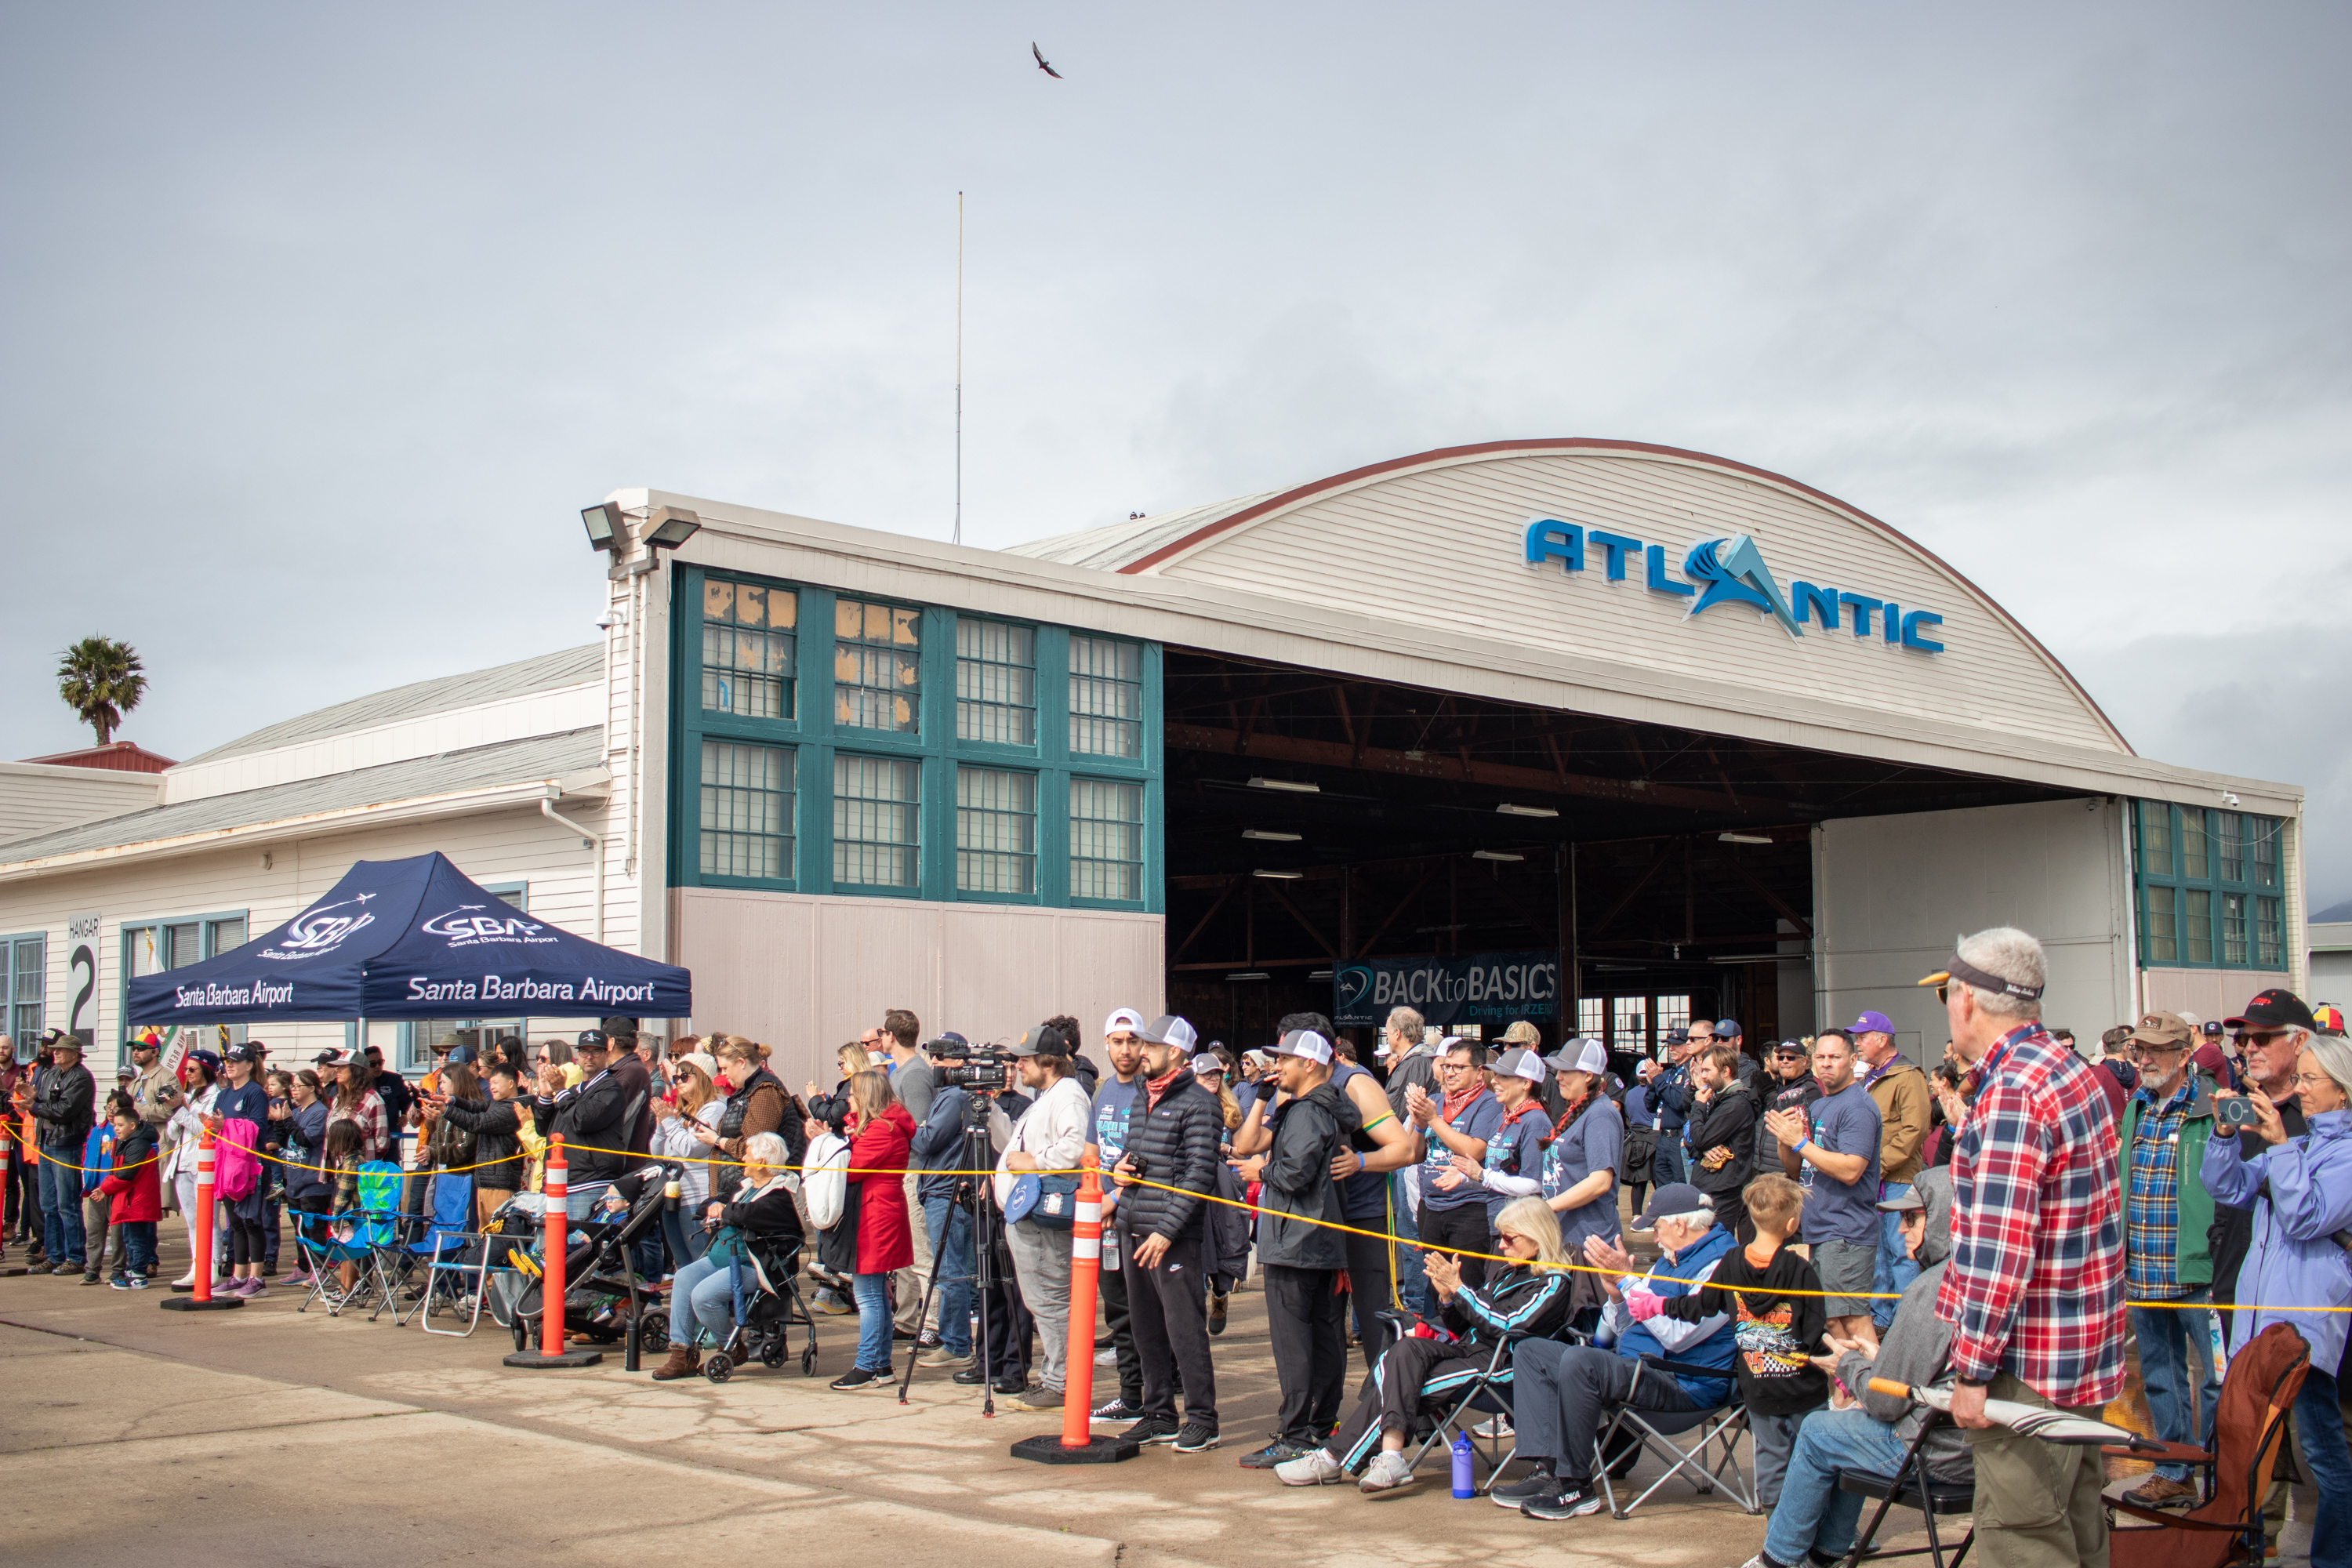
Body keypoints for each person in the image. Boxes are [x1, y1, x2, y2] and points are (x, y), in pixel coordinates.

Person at [1918, 927, 2124, 1568]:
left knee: (2023, 1537)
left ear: (1966, 1001)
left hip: (2026, 1364)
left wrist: (1973, 1371)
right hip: (2077, 1351)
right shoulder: (2070, 1071)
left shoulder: (2012, 1091)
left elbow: (1999, 1252)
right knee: (2078, 1525)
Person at [1274, 1195, 1573, 1491]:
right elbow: (1464, 1324)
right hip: (1472, 1350)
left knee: (1402, 1383)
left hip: (1503, 1365)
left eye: (1508, 1238)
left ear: (1536, 1237)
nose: (1502, 1245)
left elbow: (1507, 1326)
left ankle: (1334, 1458)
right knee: (1405, 1350)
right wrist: (1447, 1296)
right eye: (1500, 1238)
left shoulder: (1553, 1282)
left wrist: (1460, 1290)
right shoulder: (1510, 1272)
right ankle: (1387, 1457)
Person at [1744, 1171, 1962, 1568]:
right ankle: (1826, 1553)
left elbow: (1884, 1401)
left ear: (1948, 1218)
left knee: (1819, 1429)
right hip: (1975, 1447)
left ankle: (1778, 1559)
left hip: (1934, 1452)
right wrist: (1873, 1361)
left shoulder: (1934, 1287)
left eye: (1913, 1217)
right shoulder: (1986, 1277)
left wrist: (1848, 1364)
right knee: (1845, 1425)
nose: (1901, 1228)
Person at [1494, 1183, 1741, 1520]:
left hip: (1685, 1384)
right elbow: (1623, 1330)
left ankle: (1576, 1485)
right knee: (1532, 1351)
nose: (1654, 1238)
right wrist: (1615, 1296)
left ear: (1680, 1225)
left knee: (1583, 1361)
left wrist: (1628, 1282)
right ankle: (1549, 1469)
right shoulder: (1669, 1260)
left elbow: (1678, 1338)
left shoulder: (1723, 1266)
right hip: (1640, 1369)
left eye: (1657, 1228)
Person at [2202, 1025, 2352, 1568]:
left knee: (2322, 1456)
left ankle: (2334, 1558)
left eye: (2313, 1080)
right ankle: (2241, 1547)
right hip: (2263, 1327)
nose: (2302, 1089)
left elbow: (2305, 1216)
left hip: (2304, 1332)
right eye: (2303, 1078)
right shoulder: (2304, 1145)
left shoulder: (2342, 1155)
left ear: (2343, 1091)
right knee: (2247, 1449)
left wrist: (2284, 1150)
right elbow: (2229, 1187)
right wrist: (2223, 1137)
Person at [1630, 1172, 1825, 1508]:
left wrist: (1657, 1304)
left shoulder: (1731, 1262)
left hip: (1758, 1382)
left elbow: (1699, 1306)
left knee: (1771, 1459)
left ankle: (1779, 1530)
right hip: (1800, 1385)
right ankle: (1821, 1529)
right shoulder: (1800, 1269)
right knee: (1814, 1456)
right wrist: (1828, 1364)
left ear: (1750, 1216)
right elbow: (1814, 1326)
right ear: (1792, 1224)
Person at [1231, 1027, 1363, 1468]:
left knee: (1295, 1344)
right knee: (1325, 1339)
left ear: (1309, 1064)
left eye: (1285, 1059)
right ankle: (1321, 1427)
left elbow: (1295, 1173)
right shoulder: (1326, 1106)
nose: (1277, 1067)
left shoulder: (1308, 1111)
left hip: (1297, 1242)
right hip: (1322, 1242)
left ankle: (1296, 1435)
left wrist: (1259, 1171)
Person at [2113, 1007, 2225, 1510]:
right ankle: (2175, 1472)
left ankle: (2221, 1478)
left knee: (2218, 1381)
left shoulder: (2211, 1106)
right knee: (2161, 1377)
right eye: (2140, 1049)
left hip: (2199, 1271)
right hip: (2143, 1270)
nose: (2146, 1058)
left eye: (2158, 1050)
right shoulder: (2136, 1106)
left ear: (2185, 1055)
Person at [1110, 1013, 1224, 1452]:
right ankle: (1159, 1415)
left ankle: (1203, 1419)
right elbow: (1135, 1151)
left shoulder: (1200, 1102)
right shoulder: (1143, 1095)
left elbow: (1199, 1174)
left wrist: (1167, 1230)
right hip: (1134, 1225)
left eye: (1150, 1047)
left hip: (1170, 1235)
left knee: (1184, 1330)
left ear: (1174, 1053)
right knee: (1146, 1329)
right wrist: (1119, 1168)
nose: (1140, 1052)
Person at [990, 1023, 1091, 1412]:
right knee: (1042, 1299)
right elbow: (1011, 1145)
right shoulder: (1046, 1096)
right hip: (1027, 1212)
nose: (1017, 1068)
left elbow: (1077, 1146)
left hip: (1045, 1214)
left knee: (1050, 1298)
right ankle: (1056, 1375)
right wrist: (991, 1110)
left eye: (1024, 1060)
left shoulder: (1068, 1096)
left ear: (1046, 1062)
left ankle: (1060, 1379)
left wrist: (1034, 1163)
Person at [649, 1131, 805, 1381]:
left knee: (703, 1296)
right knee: (683, 1279)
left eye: (747, 1154)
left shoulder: (781, 1194)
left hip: (756, 1267)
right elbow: (712, 1204)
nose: (743, 1158)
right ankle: (682, 1354)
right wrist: (713, 1207)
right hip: (721, 1258)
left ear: (762, 1163)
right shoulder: (745, 1186)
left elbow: (749, 1213)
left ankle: (731, 1345)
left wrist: (724, 1209)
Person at [1765, 1029, 1882, 1352]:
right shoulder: (1824, 1104)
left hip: (1846, 1231)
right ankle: (1850, 1394)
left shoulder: (1856, 1107)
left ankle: (1878, 1395)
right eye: (1821, 1057)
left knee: (1854, 1320)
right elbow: (1797, 1169)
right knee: (1832, 1319)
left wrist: (1800, 1141)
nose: (1826, 1064)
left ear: (1853, 1061)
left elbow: (1851, 1169)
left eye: (1835, 1057)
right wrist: (1785, 1138)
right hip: (1821, 1229)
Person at [2209, 990, 2314, 1321]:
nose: (2250, 1047)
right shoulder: (2237, 1107)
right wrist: (2219, 1243)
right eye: (2244, 1038)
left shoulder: (2325, 1117)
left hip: (2298, 1305)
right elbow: (2222, 1193)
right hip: (2236, 1291)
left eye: (2264, 1037)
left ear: (2300, 1042)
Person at [821, 1069, 915, 1390]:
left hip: (875, 1214)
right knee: (874, 1293)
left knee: (870, 1295)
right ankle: (880, 1365)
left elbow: (851, 1170)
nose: (847, 1100)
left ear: (866, 1097)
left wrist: (827, 1143)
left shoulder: (881, 1130)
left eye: (851, 1094)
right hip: (877, 1211)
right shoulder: (884, 1126)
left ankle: (868, 1366)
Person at [1084, 1008, 1150, 1423]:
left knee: (1150, 1314)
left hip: (1139, 1218)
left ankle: (1156, 1396)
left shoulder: (1150, 1092)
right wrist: (1098, 1197)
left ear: (1143, 1045)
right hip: (1107, 1221)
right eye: (1117, 1041)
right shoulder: (1103, 1091)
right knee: (1119, 1313)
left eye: (1132, 1041)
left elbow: (1150, 1159)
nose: (1124, 1049)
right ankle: (1130, 1397)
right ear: (1106, 1044)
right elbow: (1091, 1154)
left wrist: (1112, 1201)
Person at [1851, 1011, 1932, 1331]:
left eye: (1862, 1037)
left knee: (1901, 1252)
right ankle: (1883, 1319)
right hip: (1874, 1180)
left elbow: (1915, 1130)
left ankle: (1907, 1322)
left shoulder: (1909, 1076)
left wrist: (1876, 1166)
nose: (1857, 1043)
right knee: (1878, 1254)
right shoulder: (1868, 1078)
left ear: (1882, 1040)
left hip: (1896, 1180)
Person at [906, 1033, 979, 1372]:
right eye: (932, 1056)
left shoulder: (953, 1097)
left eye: (939, 1056)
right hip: (943, 1188)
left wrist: (911, 1125)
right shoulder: (951, 1095)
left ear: (958, 1061)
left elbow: (927, 1140)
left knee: (950, 1271)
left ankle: (956, 1343)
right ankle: (956, 1341)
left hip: (944, 1191)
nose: (933, 1062)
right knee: (952, 1269)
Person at [1406, 1036, 1503, 1290]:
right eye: (1447, 1066)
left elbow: (1474, 1149)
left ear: (1479, 1071)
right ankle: (1438, 1330)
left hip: (1469, 1209)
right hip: (1431, 1206)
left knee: (1466, 1284)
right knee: (1436, 1284)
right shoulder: (1436, 1101)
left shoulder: (1489, 1104)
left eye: (1458, 1067)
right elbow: (1413, 1155)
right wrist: (1418, 1121)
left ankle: (1467, 1331)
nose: (1450, 1073)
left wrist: (1433, 1120)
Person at [877, 1007, 938, 1345]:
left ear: (890, 1036)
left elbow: (919, 1128)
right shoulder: (899, 1072)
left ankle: (932, 1323)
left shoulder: (914, 1074)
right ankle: (907, 1319)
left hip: (913, 1172)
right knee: (905, 1254)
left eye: (882, 1034)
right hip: (898, 1172)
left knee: (921, 1252)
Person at [530, 1029, 630, 1218]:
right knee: (548, 1246)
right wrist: (544, 1095)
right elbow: (545, 1130)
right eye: (584, 1051)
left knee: (577, 1246)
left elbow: (582, 1120)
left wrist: (559, 1090)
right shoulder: (574, 1091)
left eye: (596, 1052)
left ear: (607, 1054)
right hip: (558, 1183)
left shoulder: (612, 1088)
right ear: (578, 1055)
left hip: (588, 1184)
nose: (589, 1057)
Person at [27, 1033, 95, 1276]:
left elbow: (64, 1110)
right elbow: (45, 1104)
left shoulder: (81, 1077)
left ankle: (76, 1257)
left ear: (75, 1055)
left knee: (67, 1203)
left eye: (60, 1049)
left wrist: (34, 1106)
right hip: (47, 1140)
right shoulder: (50, 1073)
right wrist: (32, 1099)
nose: (54, 1052)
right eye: (54, 1049)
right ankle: (55, 1256)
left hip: (66, 1142)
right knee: (48, 1203)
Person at [208, 1042, 272, 1297]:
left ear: (249, 1065)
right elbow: (218, 1127)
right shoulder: (223, 1094)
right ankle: (239, 1274)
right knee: (234, 1222)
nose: (229, 1065)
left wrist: (227, 1123)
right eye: (227, 1061)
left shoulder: (255, 1092)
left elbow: (257, 1128)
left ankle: (257, 1279)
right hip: (228, 1165)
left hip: (250, 1167)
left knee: (251, 1221)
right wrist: (214, 1125)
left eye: (235, 1061)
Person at [647, 1054, 723, 1269]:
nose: (678, 1081)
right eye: (676, 1077)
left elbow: (691, 1148)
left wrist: (669, 1121)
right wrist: (663, 1124)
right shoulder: (684, 1111)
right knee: (682, 1260)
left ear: (702, 1077)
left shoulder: (714, 1108)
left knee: (699, 1259)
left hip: (697, 1196)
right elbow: (658, 1153)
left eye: (684, 1076)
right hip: (674, 1194)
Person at [434, 1060, 528, 1229]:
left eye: (496, 1083)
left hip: (501, 1185)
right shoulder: (496, 1104)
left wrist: (446, 1110)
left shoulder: (513, 1109)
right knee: (484, 1237)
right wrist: (453, 1100)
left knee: (500, 1237)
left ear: (511, 1083)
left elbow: (476, 1123)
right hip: (485, 1183)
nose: (491, 1087)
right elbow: (474, 1106)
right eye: (490, 1083)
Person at [1682, 1041, 1758, 1244]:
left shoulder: (1736, 1104)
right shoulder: (1716, 1099)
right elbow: (1691, 1140)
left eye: (1707, 1070)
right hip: (1707, 1187)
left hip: (1722, 1191)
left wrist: (1698, 1105)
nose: (1703, 1076)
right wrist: (1702, 1149)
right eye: (1701, 1070)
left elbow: (1699, 1137)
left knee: (1713, 1246)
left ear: (1726, 1071)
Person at [161, 1051, 221, 1288]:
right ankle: (197, 1265)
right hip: (183, 1163)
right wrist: (178, 1109)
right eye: (186, 1069)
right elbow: (172, 1133)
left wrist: (180, 1111)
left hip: (204, 1164)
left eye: (192, 1069)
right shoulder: (189, 1097)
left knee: (209, 1219)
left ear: (206, 1070)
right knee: (193, 1222)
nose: (187, 1074)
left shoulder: (216, 1096)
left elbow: (204, 1130)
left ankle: (214, 1265)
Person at [96, 1098, 162, 1289]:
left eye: (120, 1125)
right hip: (129, 1199)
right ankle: (134, 1270)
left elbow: (127, 1173)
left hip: (137, 1200)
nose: (116, 1128)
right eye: (115, 1125)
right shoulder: (126, 1142)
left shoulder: (139, 1144)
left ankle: (139, 1274)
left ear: (132, 1126)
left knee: (137, 1239)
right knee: (130, 1238)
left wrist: (104, 1188)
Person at [278, 1069, 333, 1287]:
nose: (293, 1089)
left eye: (298, 1086)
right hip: (294, 1180)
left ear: (313, 1088)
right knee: (298, 1228)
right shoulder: (297, 1111)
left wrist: (288, 1121)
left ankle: (320, 1269)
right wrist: (279, 1122)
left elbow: (305, 1139)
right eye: (292, 1085)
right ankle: (303, 1267)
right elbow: (284, 1141)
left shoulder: (319, 1112)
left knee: (314, 1229)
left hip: (313, 1182)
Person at [77, 1091, 121, 1284]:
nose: (111, 1112)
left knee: (118, 1233)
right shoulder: (97, 1130)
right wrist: (89, 1181)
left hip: (115, 1189)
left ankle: (118, 1270)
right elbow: (89, 1157)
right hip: (96, 1188)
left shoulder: (124, 1131)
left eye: (116, 1108)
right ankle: (92, 1269)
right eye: (108, 1107)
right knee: (94, 1231)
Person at [320, 1047, 390, 1161]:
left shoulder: (373, 1100)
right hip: (338, 1169)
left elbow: (382, 1143)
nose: (337, 1070)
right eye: (337, 1067)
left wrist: (364, 1160)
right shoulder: (338, 1099)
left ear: (356, 1070)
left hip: (362, 1171)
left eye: (343, 1067)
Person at [125, 1032, 175, 1128]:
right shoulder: (135, 1081)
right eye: (134, 1048)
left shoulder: (168, 1078)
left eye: (141, 1048)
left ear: (155, 1052)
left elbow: (169, 1111)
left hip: (157, 1140)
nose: (135, 1052)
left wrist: (133, 1108)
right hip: (136, 1138)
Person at [364, 1045, 412, 1128]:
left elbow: (407, 1101)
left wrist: (404, 1115)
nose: (377, 1066)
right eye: (373, 1064)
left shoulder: (394, 1080)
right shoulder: (359, 1082)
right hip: (368, 1132)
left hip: (391, 1131)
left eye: (380, 1062)